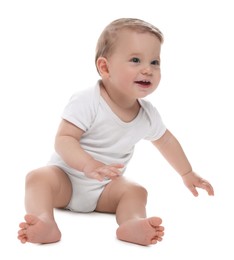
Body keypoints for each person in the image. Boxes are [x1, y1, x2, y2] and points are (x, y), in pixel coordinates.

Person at [17, 18, 214, 246]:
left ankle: (131, 222)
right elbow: (64, 139)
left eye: (155, 62)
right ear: (105, 67)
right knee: (38, 178)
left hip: (105, 190)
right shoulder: (88, 100)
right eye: (135, 60)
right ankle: (44, 221)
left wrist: (187, 173)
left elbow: (166, 141)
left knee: (135, 191)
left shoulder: (147, 115)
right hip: (66, 181)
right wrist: (88, 164)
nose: (147, 69)